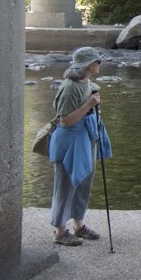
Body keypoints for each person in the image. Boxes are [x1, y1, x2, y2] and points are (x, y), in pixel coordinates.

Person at [47, 46, 112, 246]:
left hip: (85, 138)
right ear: (87, 65)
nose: (99, 64)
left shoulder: (87, 83)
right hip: (70, 141)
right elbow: (65, 120)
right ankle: (60, 231)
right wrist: (88, 106)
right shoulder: (70, 87)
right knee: (66, 185)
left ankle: (79, 225)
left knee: (83, 182)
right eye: (96, 61)